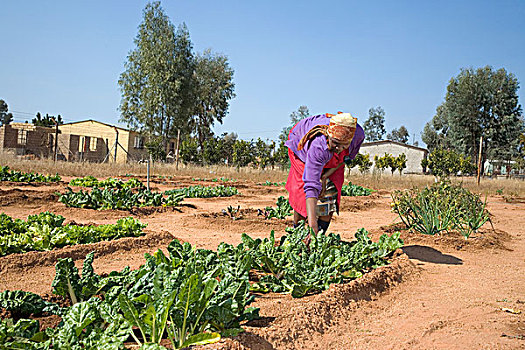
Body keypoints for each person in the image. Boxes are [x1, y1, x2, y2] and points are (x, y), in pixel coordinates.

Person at [284, 112, 364, 239]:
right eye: (335, 143)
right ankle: (297, 235)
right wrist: (312, 224)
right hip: (302, 151)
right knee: (302, 192)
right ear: (329, 135)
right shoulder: (318, 144)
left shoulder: (357, 136)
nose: (338, 148)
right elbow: (310, 186)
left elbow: (345, 158)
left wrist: (325, 176)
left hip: (332, 160)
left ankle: (318, 237)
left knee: (330, 192)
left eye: (343, 145)